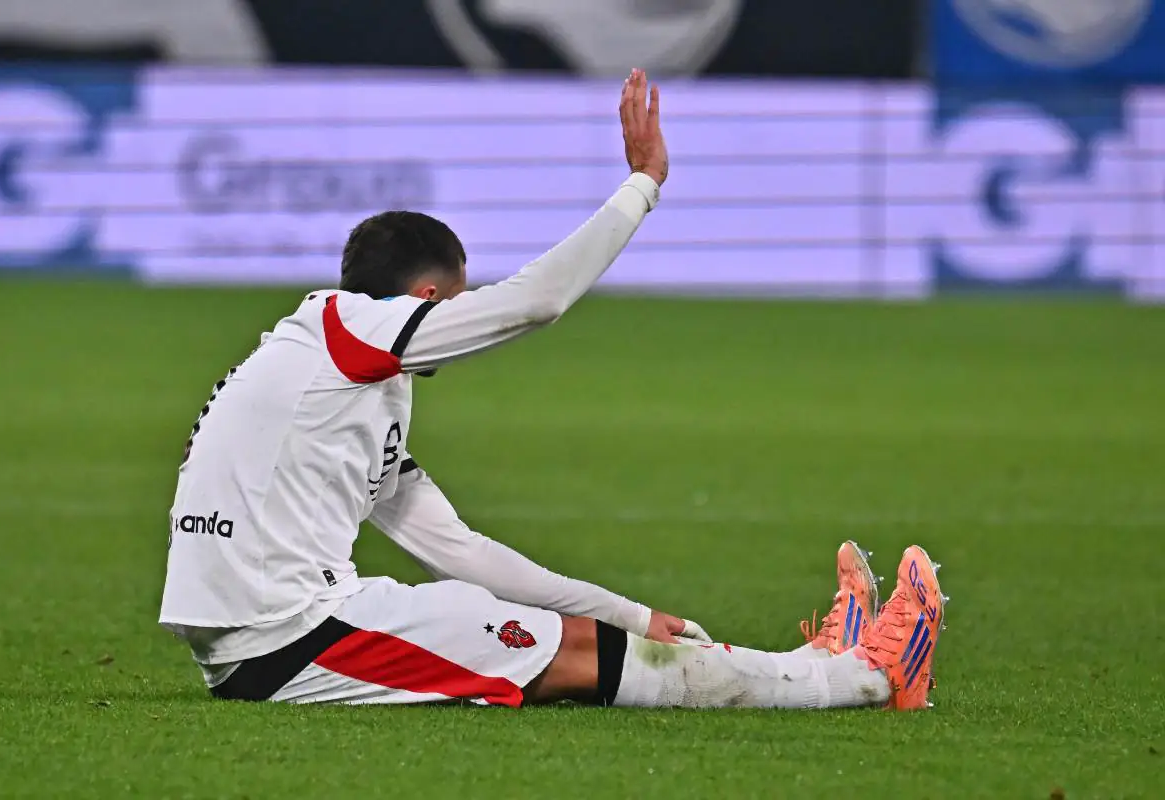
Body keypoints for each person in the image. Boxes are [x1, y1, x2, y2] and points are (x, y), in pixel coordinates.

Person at [159, 69, 947, 711]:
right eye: (457, 301)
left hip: (282, 627)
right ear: (427, 300)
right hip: (285, 636)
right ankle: (867, 680)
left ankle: (817, 663)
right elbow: (536, 301)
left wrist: (635, 614)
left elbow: (461, 551)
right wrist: (642, 184)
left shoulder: (339, 384)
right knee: (566, 653)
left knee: (553, 633)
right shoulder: (348, 329)